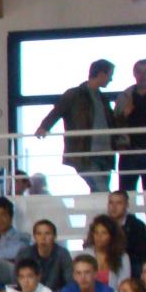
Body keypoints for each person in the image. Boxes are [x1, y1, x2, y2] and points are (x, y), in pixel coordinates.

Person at [35, 57, 117, 192]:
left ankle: (100, 207)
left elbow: (111, 122)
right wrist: (44, 127)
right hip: (85, 153)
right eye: (110, 75)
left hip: (105, 153)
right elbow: (58, 111)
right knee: (102, 189)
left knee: (98, 191)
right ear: (101, 74)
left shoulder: (103, 98)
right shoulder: (74, 94)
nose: (111, 79)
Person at [116, 59, 146, 194]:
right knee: (126, 195)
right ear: (134, 73)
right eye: (139, 72)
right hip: (128, 152)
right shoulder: (124, 97)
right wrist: (124, 114)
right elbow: (114, 125)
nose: (143, 76)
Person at [16, 219, 73, 292]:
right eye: (39, 234)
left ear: (54, 237)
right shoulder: (24, 254)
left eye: (47, 234)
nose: (43, 238)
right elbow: (17, 281)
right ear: (34, 237)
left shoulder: (63, 254)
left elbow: (70, 283)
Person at [109, 189, 146, 269]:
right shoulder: (102, 224)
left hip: (131, 267)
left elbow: (140, 255)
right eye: (111, 203)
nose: (114, 207)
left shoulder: (137, 226)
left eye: (119, 203)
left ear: (126, 205)